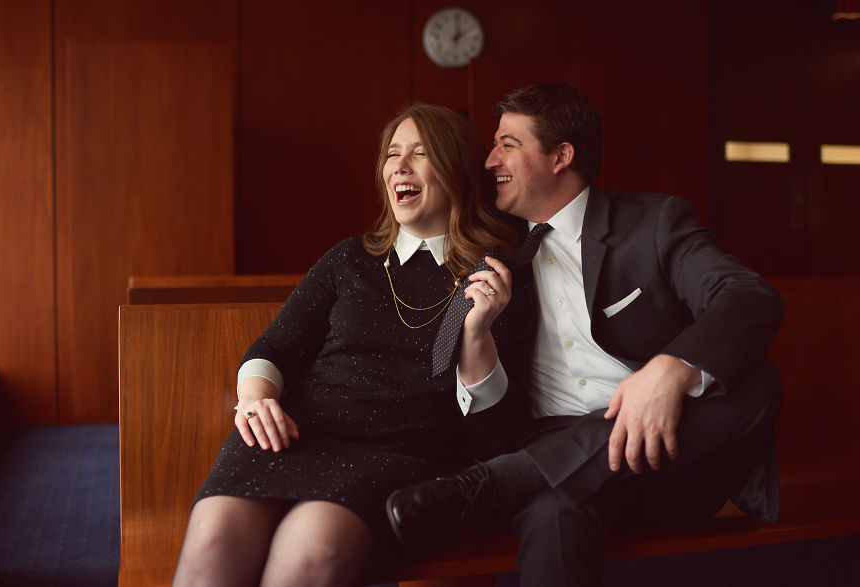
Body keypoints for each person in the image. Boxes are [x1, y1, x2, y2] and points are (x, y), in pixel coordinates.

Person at [386, 82, 784, 586]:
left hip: (666, 450)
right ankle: (516, 476)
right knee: (553, 512)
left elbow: (748, 296)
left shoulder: (654, 223)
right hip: (554, 454)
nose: (490, 160)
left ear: (561, 156)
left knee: (756, 381)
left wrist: (669, 371)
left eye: (508, 144)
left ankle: (492, 484)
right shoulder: (489, 251)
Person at [171, 103, 535, 587]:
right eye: (392, 154)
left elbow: (491, 431)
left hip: (404, 454)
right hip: (297, 434)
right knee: (214, 537)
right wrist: (256, 399)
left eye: (420, 153)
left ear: (458, 171)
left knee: (312, 549)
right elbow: (276, 347)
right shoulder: (349, 258)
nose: (399, 166)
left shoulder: (496, 273)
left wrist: (477, 335)